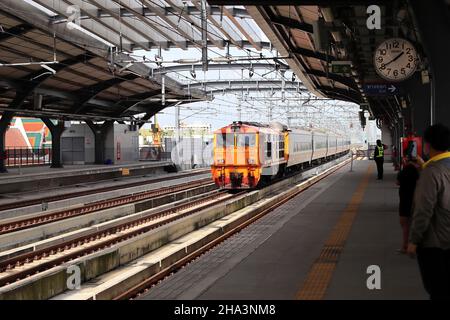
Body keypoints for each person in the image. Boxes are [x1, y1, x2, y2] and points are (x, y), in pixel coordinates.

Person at [407, 123, 450, 300]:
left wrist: (413, 240)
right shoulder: (435, 169)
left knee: (437, 289)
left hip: (435, 244)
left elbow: (423, 210)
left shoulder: (430, 173)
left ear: (428, 145)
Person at [396, 156, 420, 253]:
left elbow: (397, 182)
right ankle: (414, 244)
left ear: (406, 161)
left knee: (405, 224)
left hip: (405, 200)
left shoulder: (403, 171)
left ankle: (405, 246)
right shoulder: (418, 172)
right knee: (414, 223)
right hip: (416, 200)